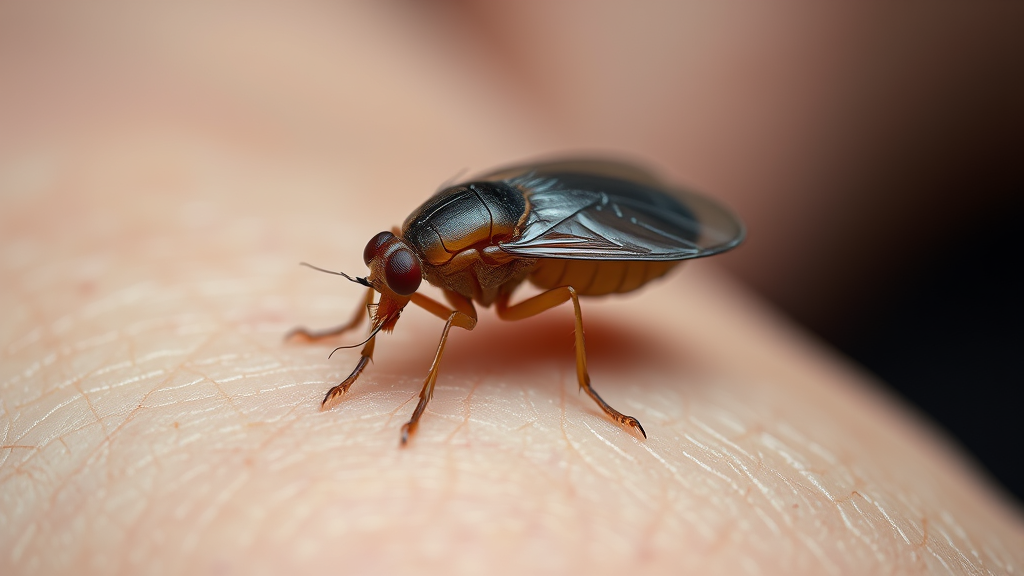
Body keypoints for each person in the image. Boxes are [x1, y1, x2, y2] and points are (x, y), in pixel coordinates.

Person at [0, 3, 1019, 574]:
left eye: (396, 281)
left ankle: (585, 389)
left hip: (597, 242)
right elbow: (399, 274)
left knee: (550, 301)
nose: (392, 291)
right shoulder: (423, 249)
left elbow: (459, 300)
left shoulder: (466, 273)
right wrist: (355, 327)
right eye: (387, 277)